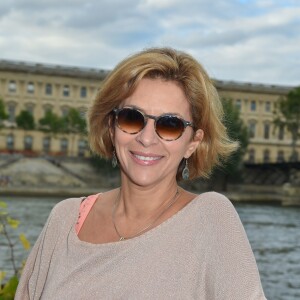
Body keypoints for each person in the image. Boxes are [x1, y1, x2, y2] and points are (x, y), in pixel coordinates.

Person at [15, 47, 266, 299]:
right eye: (131, 118)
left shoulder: (212, 218)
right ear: (111, 127)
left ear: (193, 142)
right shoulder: (64, 219)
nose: (146, 139)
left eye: (170, 124)